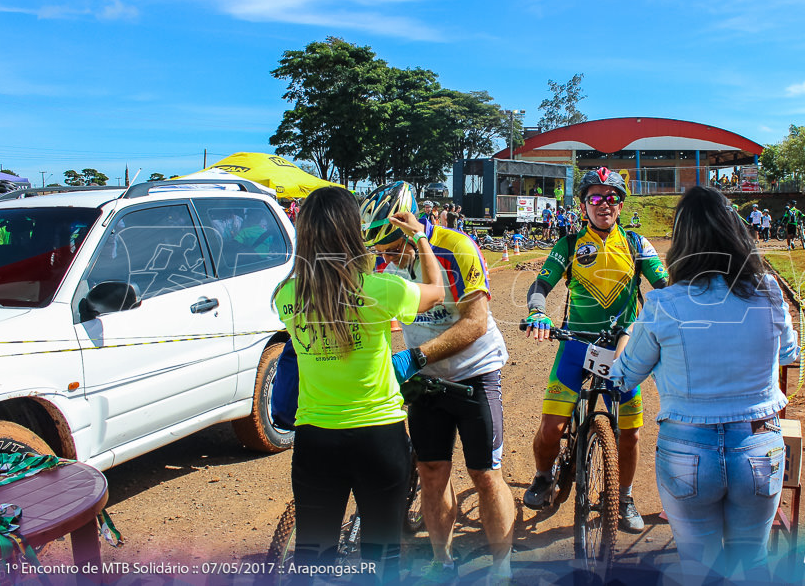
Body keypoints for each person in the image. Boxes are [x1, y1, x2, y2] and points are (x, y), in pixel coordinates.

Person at [609, 185, 798, 581]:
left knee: (698, 567)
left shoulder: (664, 303)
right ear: (736, 232)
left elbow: (625, 375)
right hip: (759, 444)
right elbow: (788, 353)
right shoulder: (768, 291)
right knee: (754, 562)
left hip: (687, 449)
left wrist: (630, 335)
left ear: (681, 242)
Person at [274, 186, 444, 582]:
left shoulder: (285, 295)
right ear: (354, 231)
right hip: (378, 437)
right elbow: (436, 292)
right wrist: (419, 236)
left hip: (315, 438)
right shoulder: (381, 289)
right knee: (382, 558)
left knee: (312, 559)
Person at [363, 182, 516, 586]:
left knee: (485, 474)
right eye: (380, 249)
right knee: (431, 470)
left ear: (412, 223)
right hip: (427, 381)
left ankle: (503, 570)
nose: (387, 256)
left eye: (394, 245)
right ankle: (441, 559)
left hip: (475, 372)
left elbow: (475, 322)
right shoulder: (381, 260)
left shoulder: (457, 247)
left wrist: (417, 356)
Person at [522, 168, 669, 533]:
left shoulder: (637, 244)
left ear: (621, 204)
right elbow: (542, 283)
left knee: (631, 433)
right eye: (595, 198)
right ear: (583, 204)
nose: (604, 204)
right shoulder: (570, 244)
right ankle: (543, 476)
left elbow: (664, 286)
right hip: (576, 344)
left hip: (625, 348)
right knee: (552, 428)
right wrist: (537, 311)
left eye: (612, 197)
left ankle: (625, 496)